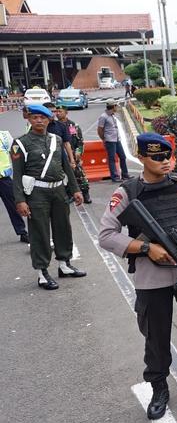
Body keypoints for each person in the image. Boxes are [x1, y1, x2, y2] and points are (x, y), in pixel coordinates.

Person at [97, 133, 177, 420]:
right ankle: (159, 389)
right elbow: (106, 235)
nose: (165, 162)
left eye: (168, 156)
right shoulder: (127, 192)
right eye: (157, 157)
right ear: (141, 157)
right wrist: (146, 248)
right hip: (151, 278)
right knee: (156, 339)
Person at [11, 104, 85, 290]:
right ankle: (42, 272)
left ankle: (64, 264)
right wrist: (20, 200)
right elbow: (17, 174)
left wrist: (75, 189)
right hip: (37, 193)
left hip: (58, 190)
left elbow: (66, 166)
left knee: (63, 228)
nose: (39, 121)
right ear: (29, 119)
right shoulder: (20, 143)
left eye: (42, 118)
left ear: (49, 119)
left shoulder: (56, 140)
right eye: (34, 117)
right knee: (40, 232)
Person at [55, 104, 91, 204]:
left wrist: (78, 153)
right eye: (56, 112)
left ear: (66, 113)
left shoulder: (73, 126)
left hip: (74, 155)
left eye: (60, 111)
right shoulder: (54, 126)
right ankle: (70, 194)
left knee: (80, 174)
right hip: (60, 156)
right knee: (65, 177)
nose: (57, 113)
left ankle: (86, 193)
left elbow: (80, 141)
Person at [0, 130, 28, 243]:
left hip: (4, 179)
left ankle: (22, 232)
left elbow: (15, 150)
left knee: (13, 207)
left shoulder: (4, 135)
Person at [97, 101, 131, 182]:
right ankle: (115, 177)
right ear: (113, 107)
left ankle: (125, 175)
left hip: (116, 139)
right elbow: (99, 130)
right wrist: (104, 139)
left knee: (123, 157)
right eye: (116, 106)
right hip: (110, 141)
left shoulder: (112, 115)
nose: (117, 108)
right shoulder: (103, 117)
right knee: (112, 159)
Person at [44, 102, 76, 169]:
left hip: (59, 158)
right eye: (51, 111)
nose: (55, 113)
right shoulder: (38, 126)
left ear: (66, 113)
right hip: (43, 159)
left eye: (54, 111)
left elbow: (67, 143)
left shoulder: (64, 125)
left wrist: (72, 160)